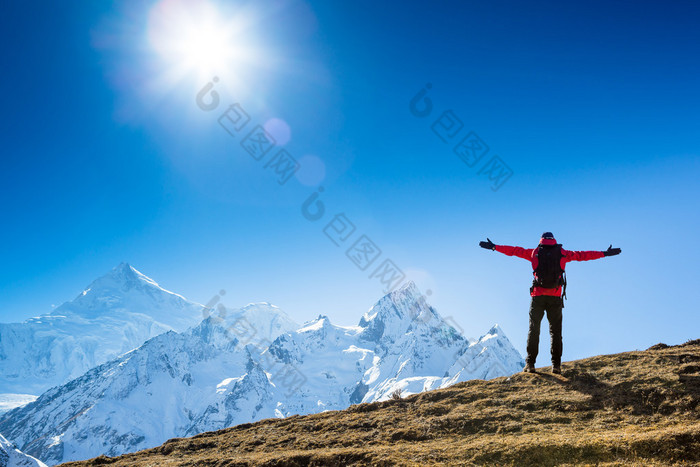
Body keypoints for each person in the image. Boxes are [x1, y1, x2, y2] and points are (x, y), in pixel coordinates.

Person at [479, 232, 621, 374]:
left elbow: (514, 251)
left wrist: (494, 247)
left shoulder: (534, 253)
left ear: (541, 240)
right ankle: (556, 366)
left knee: (534, 330)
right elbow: (583, 255)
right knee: (556, 332)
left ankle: (530, 365)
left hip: (538, 297)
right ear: (554, 240)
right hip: (555, 297)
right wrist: (604, 253)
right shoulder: (563, 253)